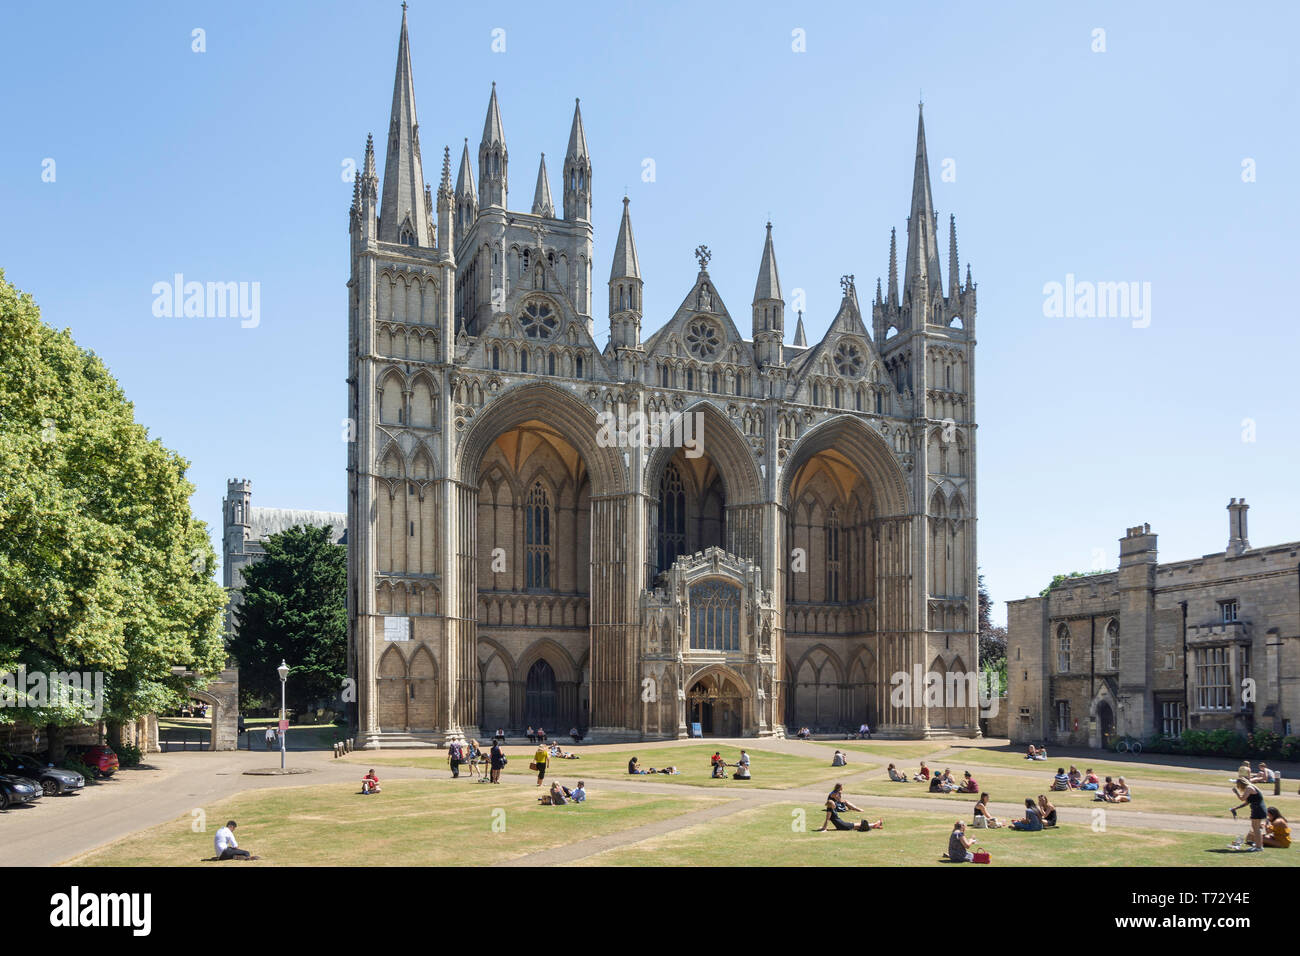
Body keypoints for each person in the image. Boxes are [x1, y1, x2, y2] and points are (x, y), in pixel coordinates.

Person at [1230, 778, 1267, 851]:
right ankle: (1258, 846)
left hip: (1258, 809)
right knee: (1255, 828)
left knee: (1256, 828)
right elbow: (1247, 802)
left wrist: (1236, 792)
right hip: (1257, 809)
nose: (1238, 786)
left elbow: (1242, 798)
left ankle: (1259, 847)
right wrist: (1236, 808)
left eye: (1238, 785)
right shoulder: (1250, 787)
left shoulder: (1249, 788)